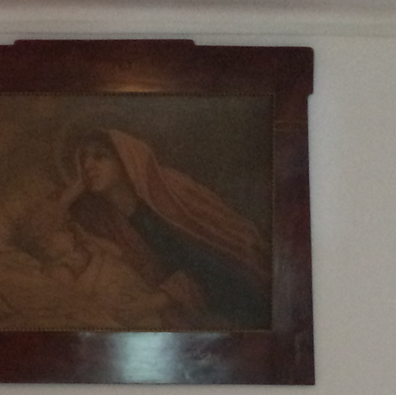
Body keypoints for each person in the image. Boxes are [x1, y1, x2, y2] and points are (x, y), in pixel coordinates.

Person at [59, 129, 270, 330]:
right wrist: (74, 189)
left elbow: (210, 264)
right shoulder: (100, 216)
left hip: (233, 290)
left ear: (126, 160)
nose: (87, 165)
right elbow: (35, 232)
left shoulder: (168, 191)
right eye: (83, 159)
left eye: (100, 156)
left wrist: (158, 299)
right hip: (179, 301)